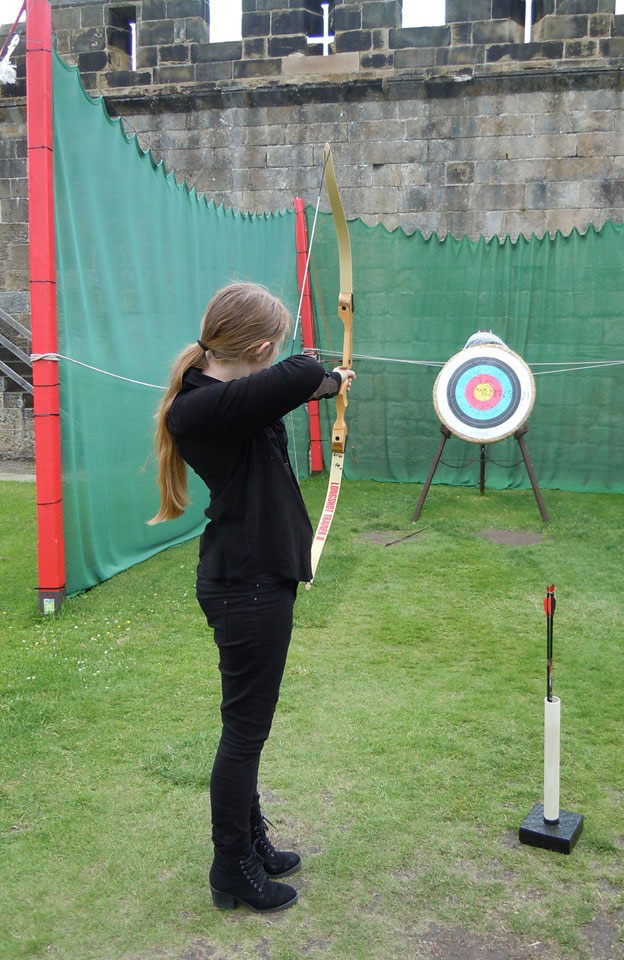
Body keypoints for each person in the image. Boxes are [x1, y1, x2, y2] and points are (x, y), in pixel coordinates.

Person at [149, 281, 355, 913]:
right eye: (276, 345)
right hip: (248, 586)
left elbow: (286, 388)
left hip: (253, 578)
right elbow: (297, 374)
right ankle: (232, 866)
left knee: (246, 730)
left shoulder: (227, 397)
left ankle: (251, 842)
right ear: (260, 346)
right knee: (244, 733)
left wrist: (326, 387)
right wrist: (319, 375)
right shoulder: (200, 407)